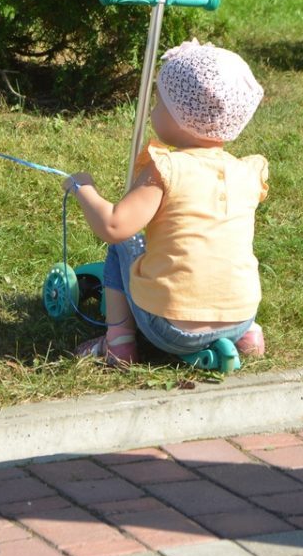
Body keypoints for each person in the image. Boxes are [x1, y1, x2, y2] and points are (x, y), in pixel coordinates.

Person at [63, 39, 269, 366]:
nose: (154, 111)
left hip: (171, 328)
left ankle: (119, 341)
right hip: (241, 315)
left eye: (160, 104)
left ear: (181, 116)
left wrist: (82, 187)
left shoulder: (166, 168)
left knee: (125, 244)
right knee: (221, 242)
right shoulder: (247, 171)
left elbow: (114, 226)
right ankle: (246, 336)